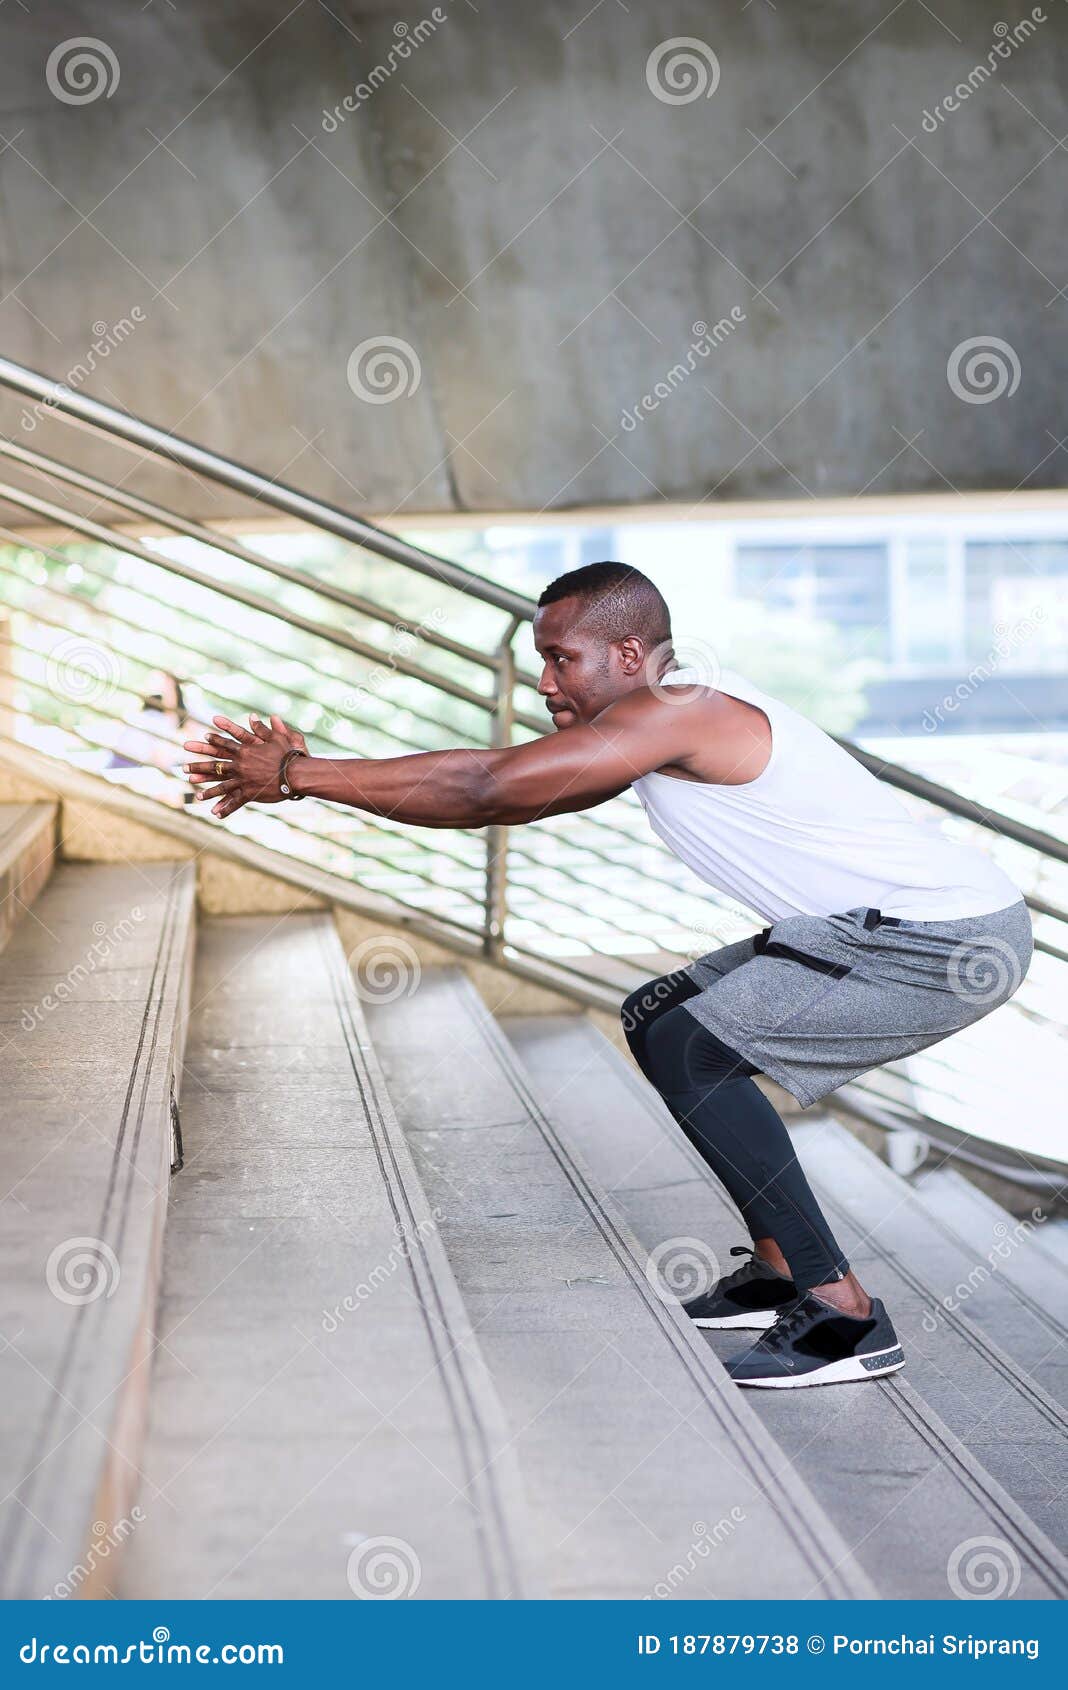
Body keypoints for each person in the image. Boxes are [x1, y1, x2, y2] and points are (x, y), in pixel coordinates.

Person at [183, 562, 1032, 1390]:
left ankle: (840, 1313)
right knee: (661, 1018)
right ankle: (778, 1268)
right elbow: (518, 797)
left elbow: (488, 783)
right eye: (544, 659)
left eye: (562, 659)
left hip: (937, 938)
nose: (546, 683)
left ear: (629, 657)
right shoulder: (652, 723)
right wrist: (318, 781)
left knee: (696, 1050)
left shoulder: (679, 710)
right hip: (876, 929)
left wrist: (299, 776)